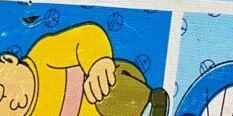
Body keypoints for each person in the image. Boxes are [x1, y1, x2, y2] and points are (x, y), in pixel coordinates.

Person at [0, 23, 168, 116]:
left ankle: (148, 107)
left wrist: (98, 64)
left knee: (108, 92)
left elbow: (86, 37)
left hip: (115, 89)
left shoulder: (42, 55)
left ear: (8, 60)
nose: (9, 103)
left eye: (2, 92)